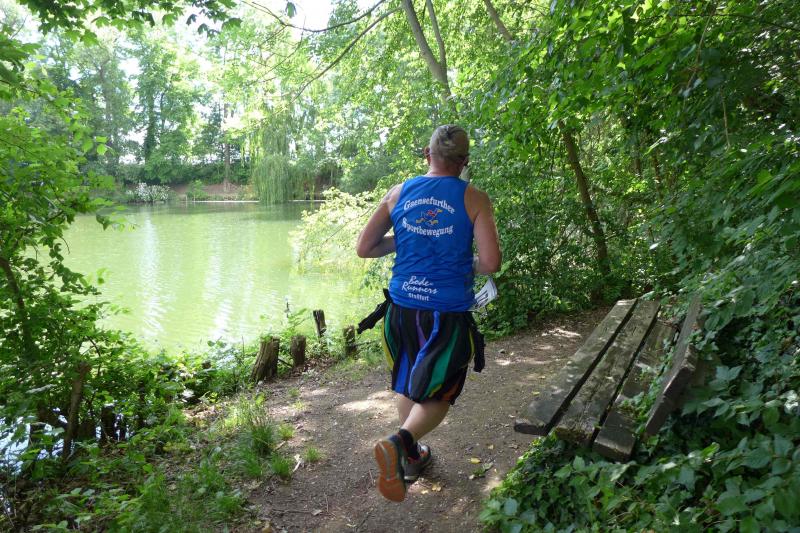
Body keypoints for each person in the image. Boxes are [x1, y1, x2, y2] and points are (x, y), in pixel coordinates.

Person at [355, 124, 501, 502]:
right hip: (445, 314)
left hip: (401, 310)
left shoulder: (398, 193)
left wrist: (407, 240)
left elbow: (365, 248)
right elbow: (490, 263)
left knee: (410, 380)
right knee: (441, 388)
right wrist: (461, 262)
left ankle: (412, 457)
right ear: (464, 161)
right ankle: (399, 441)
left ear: (427, 154)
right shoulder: (474, 198)